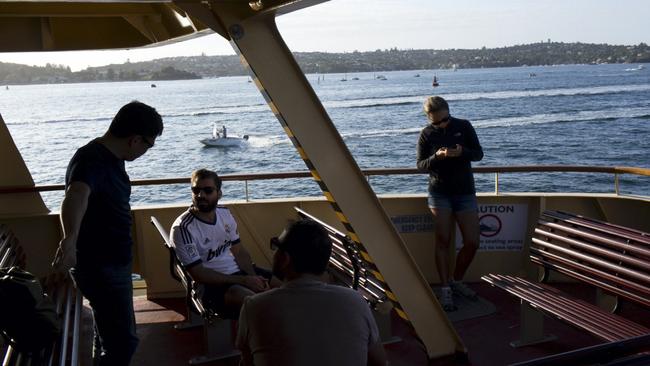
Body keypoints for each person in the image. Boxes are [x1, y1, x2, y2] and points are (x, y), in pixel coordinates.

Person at [51, 101, 163, 365]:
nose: (147, 151)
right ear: (135, 139)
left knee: (108, 336)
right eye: (149, 144)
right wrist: (69, 239)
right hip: (103, 267)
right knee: (124, 343)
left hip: (110, 264)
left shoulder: (109, 158)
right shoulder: (92, 159)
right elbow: (76, 195)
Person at [236, 219, 387, 366]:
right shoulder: (355, 301)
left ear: (285, 259)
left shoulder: (254, 307)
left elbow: (248, 361)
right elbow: (379, 361)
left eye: (276, 246)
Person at [170, 169, 273, 318]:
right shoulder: (183, 228)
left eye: (208, 190)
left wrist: (253, 277)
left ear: (219, 193)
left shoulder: (224, 214)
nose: (201, 195)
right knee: (257, 303)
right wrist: (245, 280)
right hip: (211, 286)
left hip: (239, 274)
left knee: (286, 285)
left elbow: (239, 252)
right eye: (196, 190)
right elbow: (199, 274)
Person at [416, 96, 483, 311]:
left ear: (449, 112)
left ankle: (456, 280)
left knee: (472, 242)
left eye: (445, 120)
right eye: (436, 122)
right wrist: (437, 157)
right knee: (443, 240)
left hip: (465, 192)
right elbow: (421, 165)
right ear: (429, 120)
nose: (442, 125)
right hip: (439, 193)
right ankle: (445, 288)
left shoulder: (463, 126)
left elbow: (479, 154)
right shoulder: (426, 134)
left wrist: (462, 152)